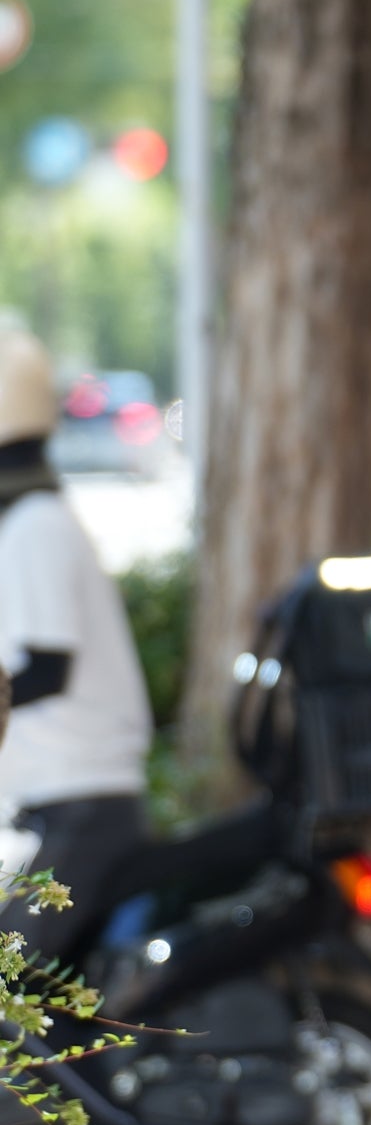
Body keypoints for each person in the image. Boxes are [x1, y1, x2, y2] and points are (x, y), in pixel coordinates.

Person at [0, 330, 153, 970]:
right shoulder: (35, 518)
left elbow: (43, 668)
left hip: (80, 810)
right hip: (66, 806)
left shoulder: (34, 526)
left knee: (7, 979)